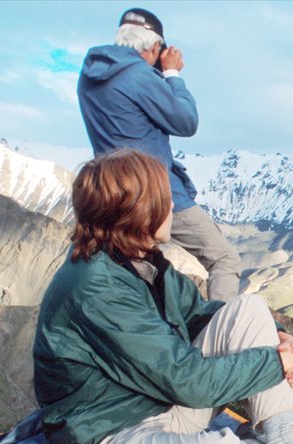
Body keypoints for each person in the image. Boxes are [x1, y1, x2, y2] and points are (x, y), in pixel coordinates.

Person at [33, 149, 293, 444]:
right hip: (111, 434)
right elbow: (188, 381)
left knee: (249, 308)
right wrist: (276, 363)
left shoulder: (140, 263)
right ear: (137, 209)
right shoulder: (97, 287)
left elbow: (202, 315)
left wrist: (278, 335)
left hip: (156, 402)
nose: (172, 209)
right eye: (164, 198)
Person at [77, 7, 241, 301]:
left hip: (112, 195)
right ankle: (221, 339)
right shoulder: (139, 76)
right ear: (155, 47)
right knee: (223, 259)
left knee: (131, 266)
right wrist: (171, 74)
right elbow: (185, 121)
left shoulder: (89, 76)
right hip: (156, 193)